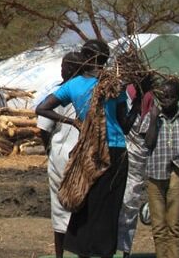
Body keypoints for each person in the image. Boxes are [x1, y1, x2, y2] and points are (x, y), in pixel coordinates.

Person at [36, 39, 140, 257]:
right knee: (109, 210)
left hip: (89, 151)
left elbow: (42, 108)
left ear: (86, 58)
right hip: (116, 153)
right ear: (104, 60)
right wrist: (138, 99)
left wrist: (72, 121)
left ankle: (84, 252)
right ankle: (104, 253)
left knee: (85, 204)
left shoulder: (73, 86)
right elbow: (126, 125)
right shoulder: (114, 84)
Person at [36, 51, 85, 258]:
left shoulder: (60, 94)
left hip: (61, 157)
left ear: (72, 69)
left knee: (60, 210)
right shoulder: (89, 91)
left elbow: (43, 130)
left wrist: (50, 150)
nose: (61, 70)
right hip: (83, 158)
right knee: (82, 209)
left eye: (64, 66)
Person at [140, 78, 179, 257]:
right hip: (155, 174)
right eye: (163, 97)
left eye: (171, 97)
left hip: (176, 171)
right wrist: (154, 118)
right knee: (159, 226)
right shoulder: (152, 117)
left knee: (175, 225)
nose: (166, 100)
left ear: (178, 97)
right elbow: (148, 143)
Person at [117, 77, 155, 257]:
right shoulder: (122, 93)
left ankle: (125, 250)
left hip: (138, 156)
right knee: (116, 202)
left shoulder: (150, 97)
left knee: (130, 202)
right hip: (120, 152)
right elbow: (124, 125)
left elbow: (147, 130)